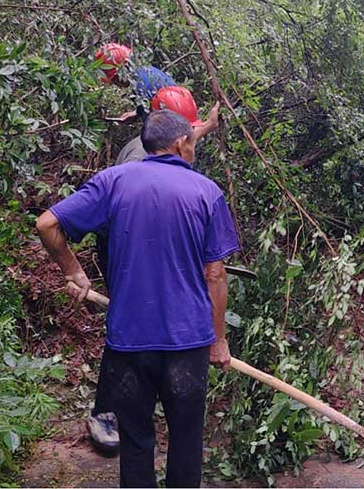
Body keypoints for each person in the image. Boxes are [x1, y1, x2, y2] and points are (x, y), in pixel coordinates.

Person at [36, 110, 240, 487]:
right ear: (180, 144)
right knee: (185, 443)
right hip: (188, 342)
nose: (194, 148)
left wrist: (73, 271)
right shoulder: (206, 192)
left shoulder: (113, 181)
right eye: (192, 141)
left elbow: (47, 224)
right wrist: (220, 340)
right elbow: (215, 274)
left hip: (129, 343)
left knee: (136, 443)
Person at [88, 85, 220, 455]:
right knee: (130, 326)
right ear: (178, 141)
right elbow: (137, 210)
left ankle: (140, 400)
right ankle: (106, 412)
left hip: (146, 241)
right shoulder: (133, 165)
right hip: (128, 245)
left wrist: (207, 124)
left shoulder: (158, 140)